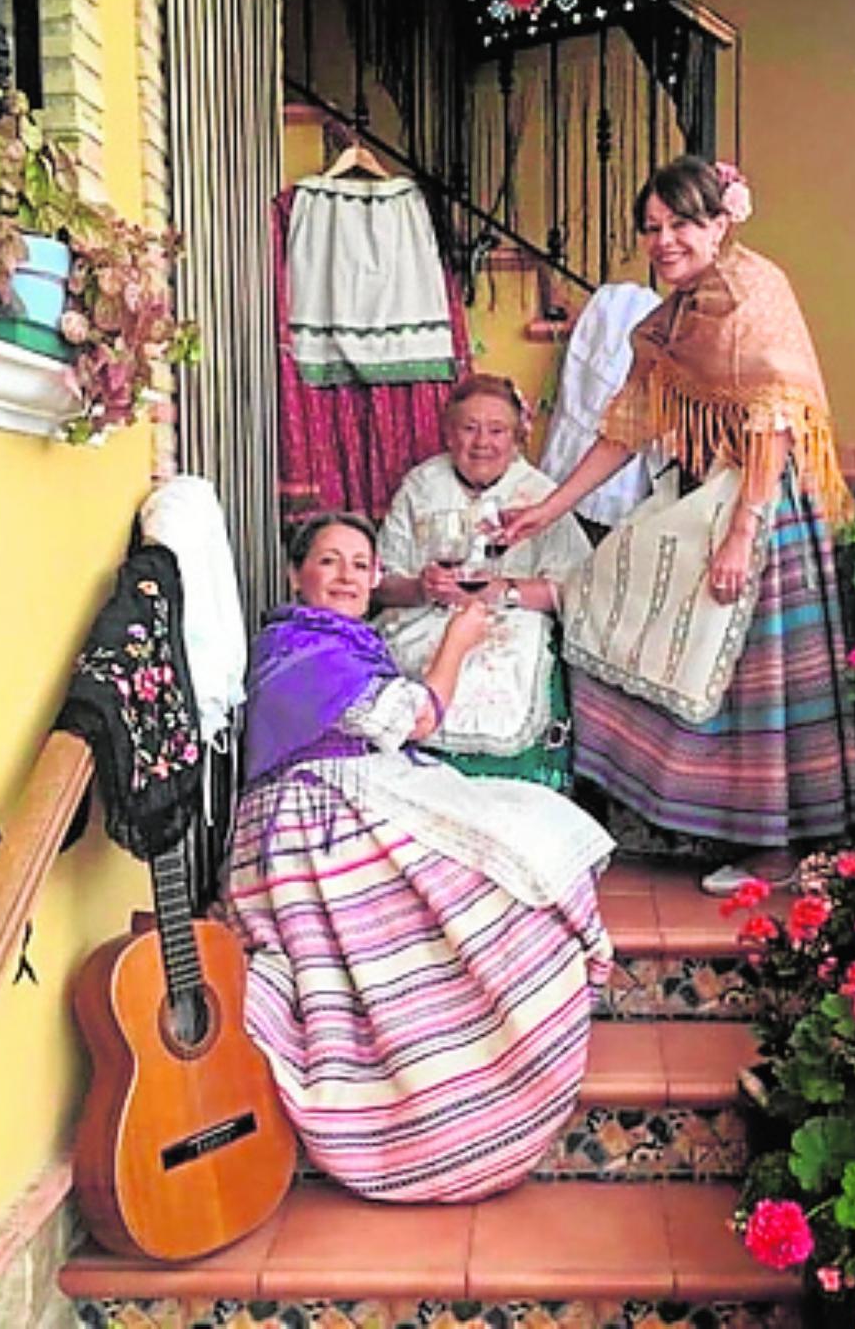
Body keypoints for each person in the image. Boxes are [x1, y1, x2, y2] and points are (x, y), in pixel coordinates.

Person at [223, 512, 613, 1202]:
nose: (345, 576)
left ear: (378, 577)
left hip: (352, 790)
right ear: (295, 574)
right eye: (328, 561)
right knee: (492, 872)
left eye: (359, 564)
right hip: (314, 816)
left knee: (530, 841)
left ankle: (485, 1064)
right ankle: (437, 1092)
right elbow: (410, 718)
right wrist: (458, 641)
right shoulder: (295, 646)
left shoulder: (341, 642)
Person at [503, 155, 855, 893]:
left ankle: (774, 849)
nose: (664, 240)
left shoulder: (753, 293)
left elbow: (774, 420)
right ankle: (692, 823)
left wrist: (742, 532)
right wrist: (552, 505)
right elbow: (628, 427)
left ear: (721, 223)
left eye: (682, 224)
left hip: (762, 506)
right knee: (651, 625)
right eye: (652, 227)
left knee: (753, 683)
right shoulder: (675, 316)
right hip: (710, 497)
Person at [375, 373, 592, 788]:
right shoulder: (422, 485)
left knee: (501, 668)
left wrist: (502, 591)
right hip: (424, 614)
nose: (482, 443)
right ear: (448, 433)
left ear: (517, 438)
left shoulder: (540, 495)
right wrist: (420, 588)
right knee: (415, 660)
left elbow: (576, 590)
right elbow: (382, 582)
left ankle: (506, 784)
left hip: (513, 617)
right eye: (469, 428)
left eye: (497, 430)